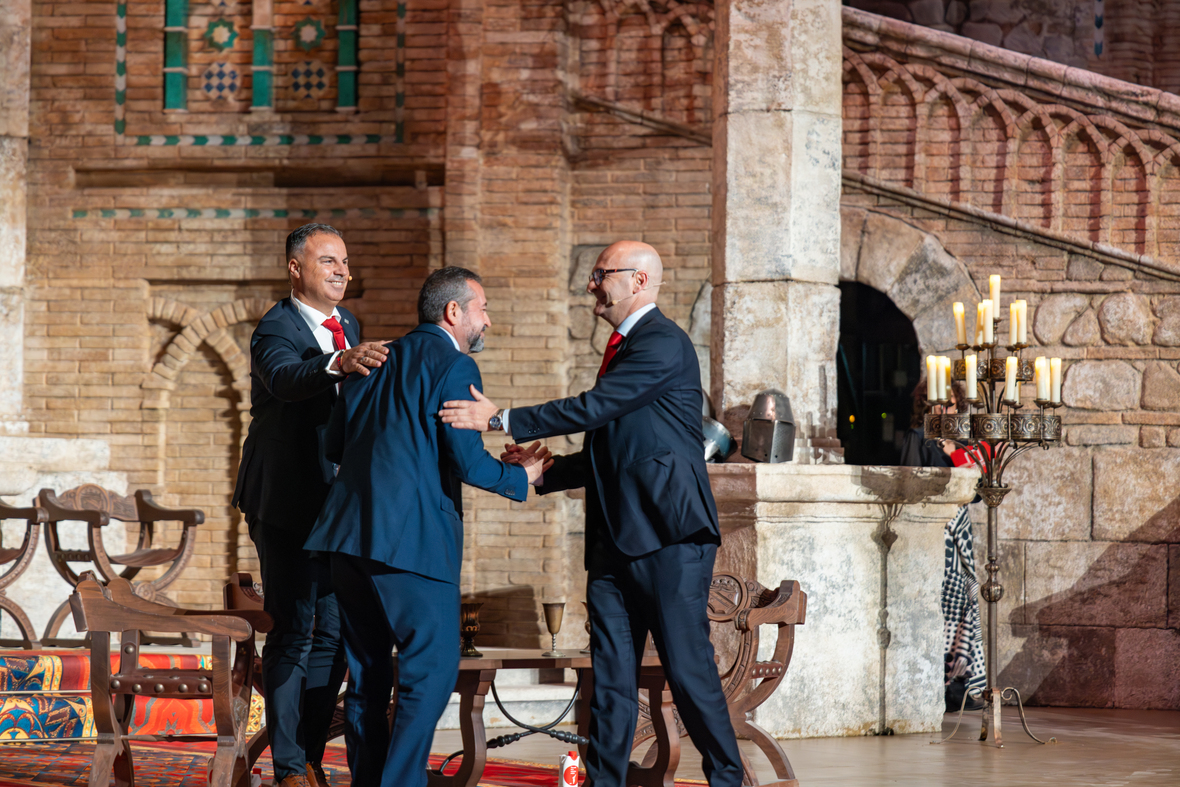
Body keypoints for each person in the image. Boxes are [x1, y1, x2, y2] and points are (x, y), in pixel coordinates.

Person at [439, 241, 744, 787]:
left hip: (669, 537)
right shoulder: (622, 349)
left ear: (639, 281)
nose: (591, 285)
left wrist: (500, 418)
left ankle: (728, 779)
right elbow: (614, 452)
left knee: (688, 670)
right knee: (609, 680)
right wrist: (543, 473)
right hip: (613, 542)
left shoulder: (663, 342)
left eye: (601, 274)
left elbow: (593, 407)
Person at [303, 266, 551, 787]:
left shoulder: (371, 359)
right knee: (431, 671)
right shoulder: (454, 364)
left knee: (367, 675)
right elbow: (466, 461)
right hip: (411, 541)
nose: (488, 321)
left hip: (347, 538)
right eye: (482, 309)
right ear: (453, 311)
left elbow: (335, 445)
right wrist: (520, 476)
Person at [231, 223, 391, 787]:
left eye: (345, 262)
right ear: (296, 268)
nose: (342, 271)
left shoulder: (348, 325)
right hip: (286, 499)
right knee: (295, 629)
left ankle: (312, 757)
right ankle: (288, 769)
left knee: (336, 633)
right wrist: (337, 364)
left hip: (336, 504)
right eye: (328, 261)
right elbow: (283, 378)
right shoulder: (275, 326)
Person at [900, 378, 986, 712]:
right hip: (933, 533)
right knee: (939, 606)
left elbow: (978, 492)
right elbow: (910, 484)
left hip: (959, 532)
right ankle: (936, 685)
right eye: (937, 402)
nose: (944, 410)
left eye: (950, 404)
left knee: (964, 603)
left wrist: (955, 455)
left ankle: (959, 684)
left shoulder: (961, 443)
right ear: (926, 404)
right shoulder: (917, 436)